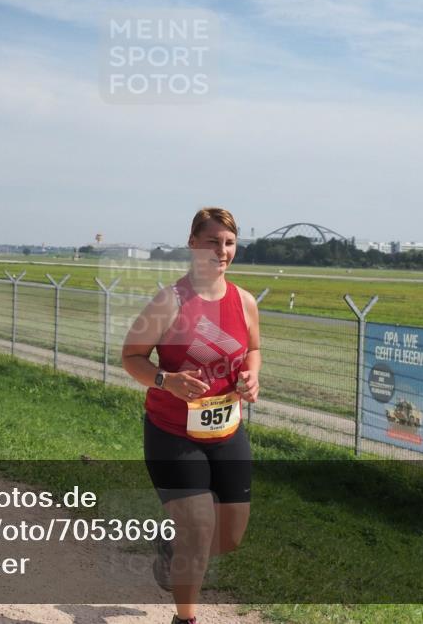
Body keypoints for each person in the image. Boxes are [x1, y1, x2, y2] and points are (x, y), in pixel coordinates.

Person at [121, 207, 261, 624]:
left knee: (230, 537)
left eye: (229, 243)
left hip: (227, 429)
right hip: (172, 434)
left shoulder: (244, 301)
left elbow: (253, 349)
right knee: (199, 531)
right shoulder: (171, 301)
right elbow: (131, 357)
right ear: (193, 244)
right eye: (213, 241)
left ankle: (172, 547)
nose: (222, 251)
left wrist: (252, 375)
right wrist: (167, 380)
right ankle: (185, 618)